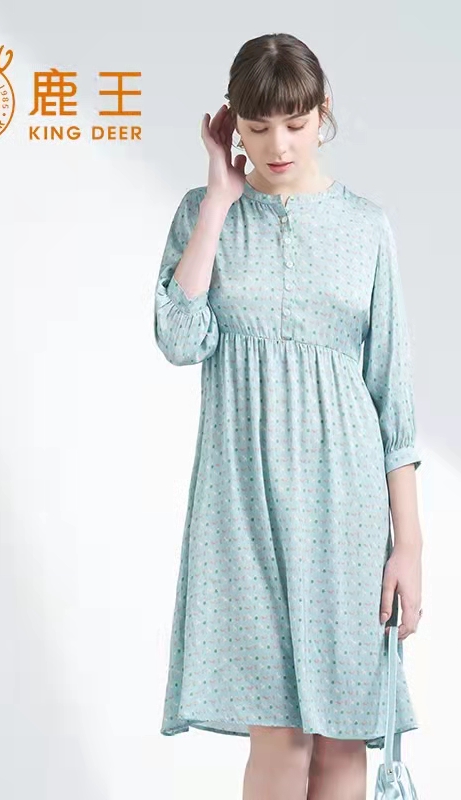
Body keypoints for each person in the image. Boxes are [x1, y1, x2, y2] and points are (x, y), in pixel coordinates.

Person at [155, 32, 426, 800]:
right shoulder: (204, 215)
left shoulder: (366, 227)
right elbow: (179, 337)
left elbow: (393, 399)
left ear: (322, 113)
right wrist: (218, 199)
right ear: (230, 124)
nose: (278, 145)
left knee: (341, 740)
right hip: (242, 508)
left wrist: (408, 545)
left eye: (297, 124)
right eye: (258, 126)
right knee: (281, 738)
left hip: (347, 510)